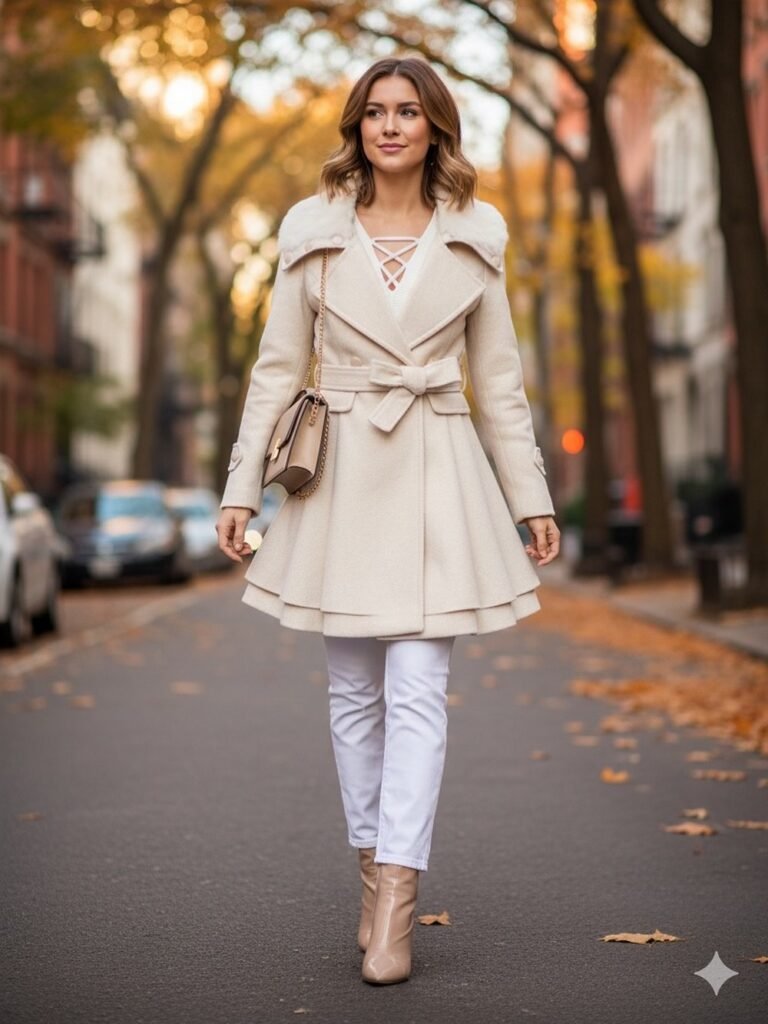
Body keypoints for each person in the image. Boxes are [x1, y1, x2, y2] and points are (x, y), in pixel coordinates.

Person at [216, 55, 560, 985]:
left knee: (416, 691)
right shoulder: (313, 231)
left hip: (439, 468)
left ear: (435, 126)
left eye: (409, 111)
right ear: (357, 128)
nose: (391, 126)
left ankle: (398, 899)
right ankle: (370, 870)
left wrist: (530, 497)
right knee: (353, 696)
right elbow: (277, 369)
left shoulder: (476, 235)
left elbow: (499, 383)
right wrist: (243, 487)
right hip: (342, 472)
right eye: (376, 112)